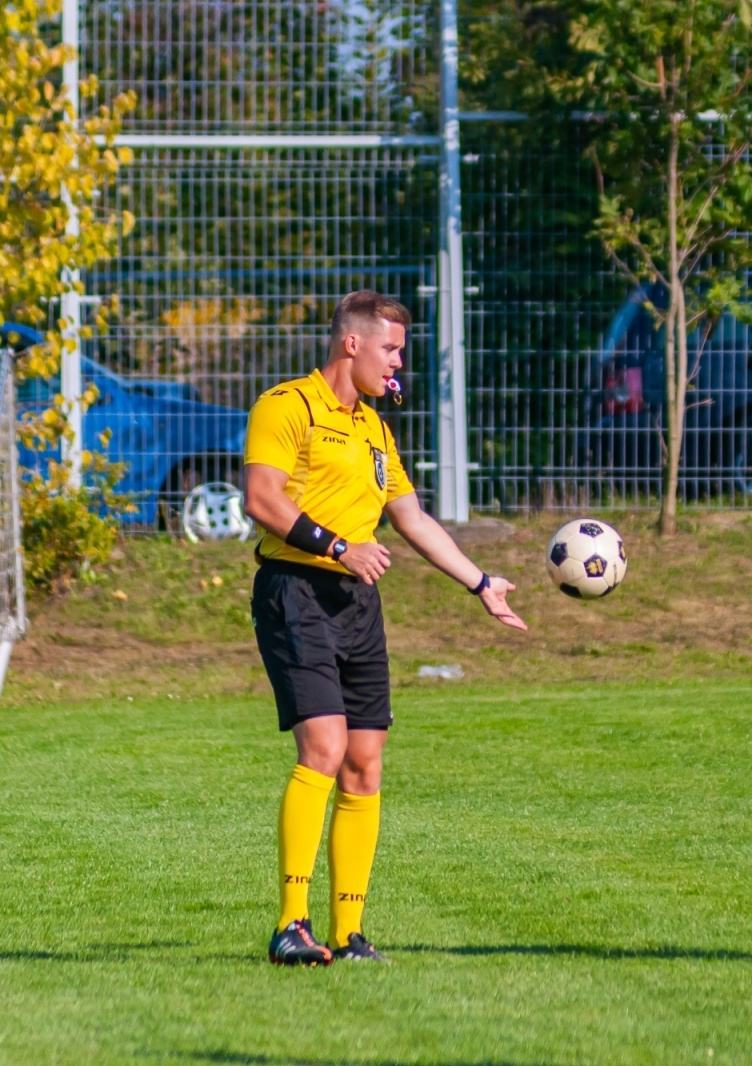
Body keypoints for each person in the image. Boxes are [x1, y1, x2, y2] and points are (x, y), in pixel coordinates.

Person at [243, 290, 527, 966]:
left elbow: (413, 518)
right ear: (352, 344)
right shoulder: (287, 405)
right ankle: (290, 925)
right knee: (324, 748)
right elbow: (261, 499)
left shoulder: (374, 428)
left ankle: (349, 934)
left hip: (358, 605)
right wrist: (340, 547)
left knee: (364, 765)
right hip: (295, 591)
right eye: (391, 349)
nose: (399, 362)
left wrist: (481, 583)